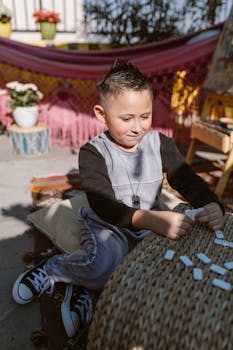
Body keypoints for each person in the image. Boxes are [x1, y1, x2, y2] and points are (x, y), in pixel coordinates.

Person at [12, 59, 224, 338]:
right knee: (104, 264)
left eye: (145, 116)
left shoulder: (161, 144)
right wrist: (149, 219)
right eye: (126, 119)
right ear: (101, 114)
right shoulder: (93, 152)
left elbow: (185, 178)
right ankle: (54, 270)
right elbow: (102, 203)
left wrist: (212, 204)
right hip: (107, 225)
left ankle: (84, 294)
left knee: (162, 273)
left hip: (150, 226)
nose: (137, 127)